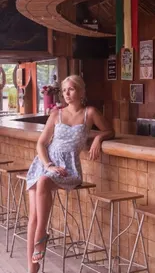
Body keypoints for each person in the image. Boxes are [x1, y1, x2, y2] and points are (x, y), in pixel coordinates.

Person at [26, 75, 114, 273]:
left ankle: (42, 232)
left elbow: (110, 130)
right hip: (45, 164)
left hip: (68, 168)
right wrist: (48, 165)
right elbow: (41, 143)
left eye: (71, 89)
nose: (66, 93)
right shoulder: (56, 114)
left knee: (43, 182)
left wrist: (99, 137)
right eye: (64, 90)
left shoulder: (89, 113)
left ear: (82, 92)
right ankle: (32, 269)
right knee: (33, 216)